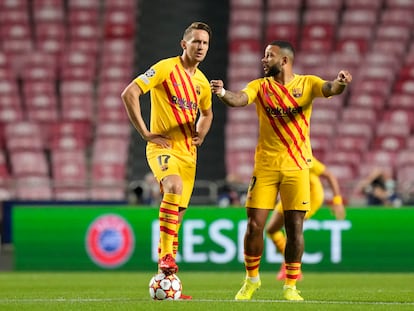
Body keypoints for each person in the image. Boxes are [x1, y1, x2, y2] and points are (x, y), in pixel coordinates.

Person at [210, 40, 352, 301]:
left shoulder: (307, 84)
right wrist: (221, 93)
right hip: (265, 167)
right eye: (264, 55)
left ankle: (290, 285)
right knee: (254, 225)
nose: (263, 59)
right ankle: (251, 280)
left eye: (269, 55)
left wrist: (340, 82)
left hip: (297, 168)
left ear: (284, 61)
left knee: (294, 227)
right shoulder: (260, 86)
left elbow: (331, 88)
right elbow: (240, 99)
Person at [121, 22, 213, 300]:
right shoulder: (165, 68)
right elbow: (130, 93)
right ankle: (166, 258)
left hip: (189, 155)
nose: (201, 47)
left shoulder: (202, 83)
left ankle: (168, 283)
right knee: (171, 186)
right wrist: (145, 132)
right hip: (162, 148)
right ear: (183, 44)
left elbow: (207, 114)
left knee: (176, 221)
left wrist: (201, 133)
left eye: (205, 43)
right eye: (196, 41)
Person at [266, 156, 346, 281]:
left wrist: (337, 201)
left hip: (310, 196)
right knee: (271, 230)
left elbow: (329, 175)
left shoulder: (302, 157)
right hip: (290, 195)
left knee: (292, 230)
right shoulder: (277, 159)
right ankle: (289, 263)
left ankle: (290, 269)